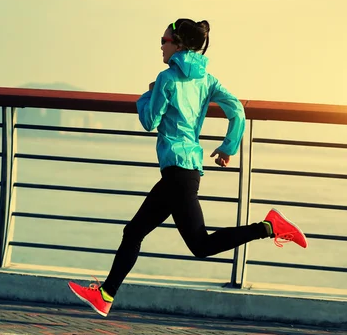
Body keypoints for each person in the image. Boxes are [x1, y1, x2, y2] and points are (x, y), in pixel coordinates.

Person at [68, 18, 307, 317]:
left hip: (178, 174)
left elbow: (149, 121)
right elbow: (237, 110)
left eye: (164, 40)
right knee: (140, 233)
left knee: (196, 243)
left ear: (178, 45)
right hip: (185, 171)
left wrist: (148, 94)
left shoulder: (166, 79)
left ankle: (270, 227)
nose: (161, 45)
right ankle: (105, 295)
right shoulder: (208, 80)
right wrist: (228, 147)